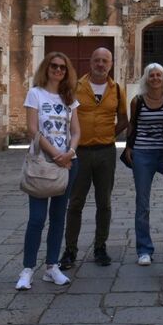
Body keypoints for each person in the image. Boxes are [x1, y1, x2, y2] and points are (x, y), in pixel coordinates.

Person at [17, 52, 81, 290]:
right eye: (54, 66)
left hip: (68, 164)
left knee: (58, 217)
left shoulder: (69, 98)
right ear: (46, 67)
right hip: (43, 163)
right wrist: (56, 154)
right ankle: (27, 269)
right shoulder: (35, 94)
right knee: (36, 218)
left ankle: (52, 266)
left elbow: (76, 131)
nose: (58, 70)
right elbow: (32, 130)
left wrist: (70, 153)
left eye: (63, 67)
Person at [60, 47, 128, 270]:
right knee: (75, 202)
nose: (100, 64)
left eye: (105, 61)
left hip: (106, 152)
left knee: (104, 202)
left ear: (110, 64)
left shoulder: (117, 90)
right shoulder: (75, 87)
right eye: (97, 60)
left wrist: (108, 134)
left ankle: (100, 247)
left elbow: (123, 119)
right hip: (80, 152)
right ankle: (70, 249)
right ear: (91, 62)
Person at [123, 63, 163, 266]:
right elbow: (132, 124)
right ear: (146, 78)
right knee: (142, 203)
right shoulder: (137, 101)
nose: (155, 78)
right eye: (151, 75)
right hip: (142, 154)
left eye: (159, 75)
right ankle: (144, 249)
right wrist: (129, 146)